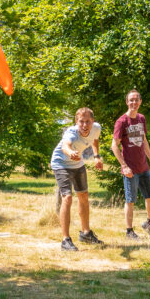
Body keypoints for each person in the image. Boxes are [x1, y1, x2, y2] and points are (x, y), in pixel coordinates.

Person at [50, 107, 105, 251]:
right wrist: (71, 152)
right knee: (67, 198)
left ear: (93, 121)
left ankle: (86, 234)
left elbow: (95, 139)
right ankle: (65, 240)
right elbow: (65, 146)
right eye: (81, 122)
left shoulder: (96, 128)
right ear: (76, 121)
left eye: (88, 122)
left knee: (83, 196)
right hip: (60, 163)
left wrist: (96, 156)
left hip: (77, 163)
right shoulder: (71, 133)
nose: (85, 125)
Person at [111, 89, 150, 240]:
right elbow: (114, 146)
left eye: (136, 100)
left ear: (140, 102)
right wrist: (124, 166)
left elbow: (144, 140)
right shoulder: (121, 121)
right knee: (130, 200)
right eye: (131, 100)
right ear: (127, 102)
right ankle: (129, 232)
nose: (134, 102)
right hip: (130, 169)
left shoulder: (141, 119)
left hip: (143, 166)